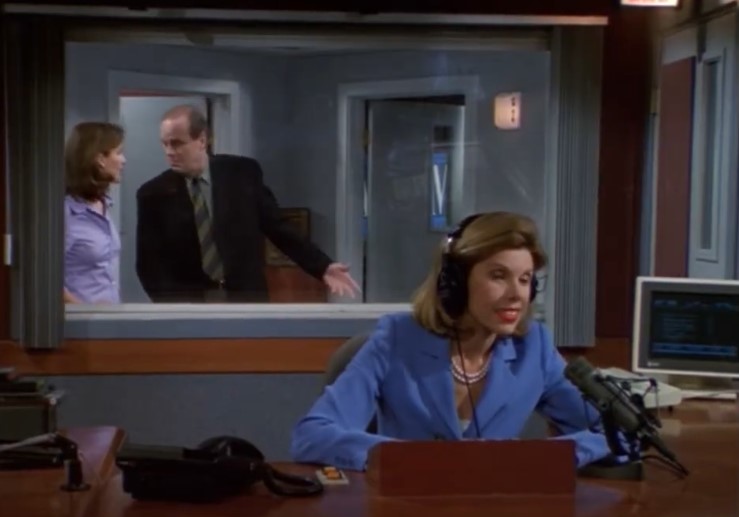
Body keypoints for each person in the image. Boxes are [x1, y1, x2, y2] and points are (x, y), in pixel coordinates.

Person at [290, 211, 614, 472]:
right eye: (499, 276)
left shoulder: (535, 348)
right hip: (406, 513)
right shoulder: (396, 339)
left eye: (525, 279)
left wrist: (535, 457)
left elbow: (613, 431)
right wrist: (417, 461)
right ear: (454, 284)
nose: (517, 295)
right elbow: (312, 436)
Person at [135, 105, 359, 303]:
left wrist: (322, 266)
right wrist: (173, 309)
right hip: (189, 304)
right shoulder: (153, 194)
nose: (169, 152)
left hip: (245, 297)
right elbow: (149, 265)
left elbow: (277, 227)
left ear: (202, 140)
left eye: (177, 144)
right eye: (164, 144)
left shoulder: (241, 174)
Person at [64, 122, 126, 304]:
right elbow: (46, 281)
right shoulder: (65, 213)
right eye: (119, 153)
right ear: (100, 159)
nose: (124, 160)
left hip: (108, 322)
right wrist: (84, 315)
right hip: (81, 325)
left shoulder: (103, 204)